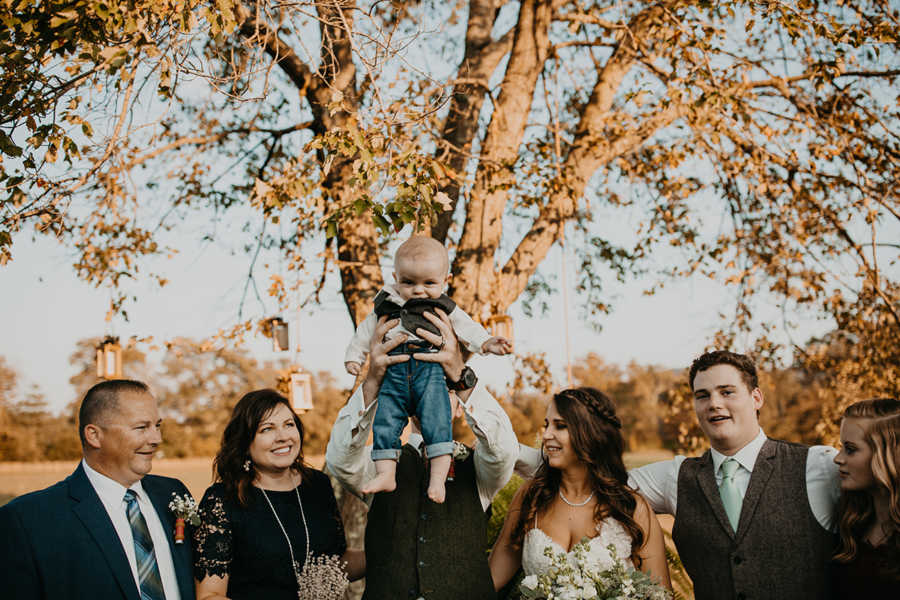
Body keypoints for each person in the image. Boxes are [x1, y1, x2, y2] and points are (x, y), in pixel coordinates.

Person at [327, 310, 519, 600]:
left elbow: (505, 449)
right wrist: (372, 382)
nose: (429, 396)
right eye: (419, 386)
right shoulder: (380, 464)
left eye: (443, 387)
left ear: (459, 407)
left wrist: (461, 377)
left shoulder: (480, 469)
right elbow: (339, 458)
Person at [626, 350, 840, 600]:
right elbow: (594, 486)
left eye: (727, 392)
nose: (714, 403)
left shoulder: (819, 465)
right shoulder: (674, 477)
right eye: (702, 396)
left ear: (756, 397)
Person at [344, 235, 512, 502]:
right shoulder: (385, 304)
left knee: (437, 421)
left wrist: (486, 342)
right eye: (408, 282)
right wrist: (356, 359)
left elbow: (467, 327)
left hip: (431, 371)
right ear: (395, 277)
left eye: (429, 283)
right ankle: (386, 474)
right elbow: (364, 333)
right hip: (393, 375)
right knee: (385, 422)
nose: (419, 291)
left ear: (446, 280)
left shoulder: (443, 306)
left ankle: (438, 480)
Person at [0, 379, 195, 600]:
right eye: (141, 427)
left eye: (157, 426)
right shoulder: (27, 520)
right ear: (94, 435)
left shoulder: (173, 493)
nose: (156, 439)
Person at [490, 388, 671, 592]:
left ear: (590, 433)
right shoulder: (531, 496)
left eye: (560, 426)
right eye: (547, 425)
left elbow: (660, 594)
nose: (547, 434)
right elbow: (488, 581)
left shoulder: (631, 507)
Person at [193, 389, 364, 600]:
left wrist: (392, 551)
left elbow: (335, 562)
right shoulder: (222, 500)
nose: (283, 437)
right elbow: (210, 595)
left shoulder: (317, 485)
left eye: (289, 425)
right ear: (245, 443)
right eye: (267, 429)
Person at [831, 397, 900, 597]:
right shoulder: (850, 525)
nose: (838, 458)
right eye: (841, 446)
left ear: (886, 456)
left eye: (850, 449)